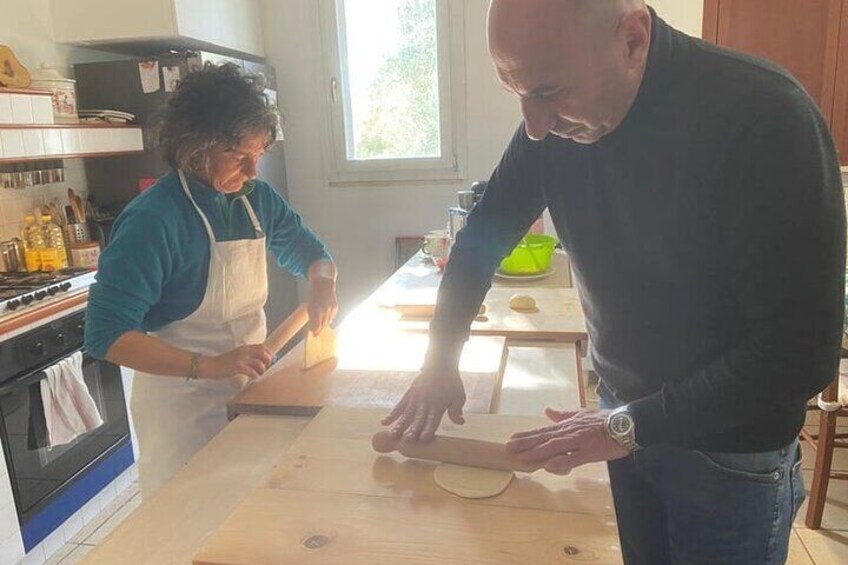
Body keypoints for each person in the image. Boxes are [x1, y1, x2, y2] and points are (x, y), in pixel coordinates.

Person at [384, 1, 845, 563]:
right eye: (517, 92)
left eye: (549, 92)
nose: (534, 124)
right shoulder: (554, 123)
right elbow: (481, 238)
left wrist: (630, 424)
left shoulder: (765, 117)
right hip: (619, 418)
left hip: (727, 454)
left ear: (631, 39)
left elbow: (798, 355)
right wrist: (440, 357)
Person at [85, 64, 338, 498]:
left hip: (250, 393)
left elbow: (314, 255)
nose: (253, 170)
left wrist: (322, 282)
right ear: (194, 147)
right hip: (181, 413)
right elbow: (106, 336)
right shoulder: (153, 220)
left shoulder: (255, 200)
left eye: (259, 154)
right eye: (240, 155)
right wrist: (212, 366)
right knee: (188, 531)